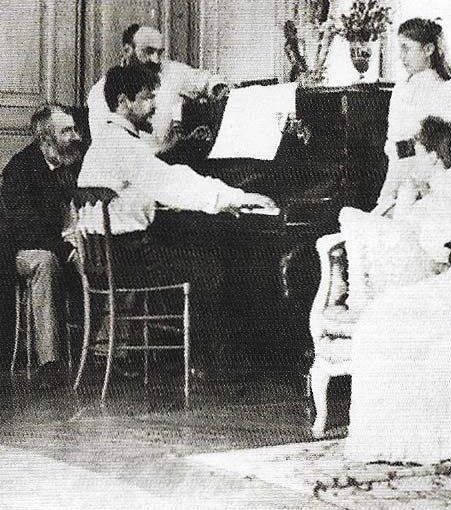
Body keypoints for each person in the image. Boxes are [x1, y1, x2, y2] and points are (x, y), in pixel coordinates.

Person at [78, 64, 275, 371]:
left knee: (197, 256)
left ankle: (187, 354)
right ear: (122, 103)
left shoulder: (105, 143)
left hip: (107, 258)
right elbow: (173, 182)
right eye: (146, 99)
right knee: (211, 268)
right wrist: (237, 197)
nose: (154, 106)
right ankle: (214, 364)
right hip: (130, 260)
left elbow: (155, 182)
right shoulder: (125, 147)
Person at [338, 116, 451, 464]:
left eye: (417, 153)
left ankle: (395, 437)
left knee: (387, 319)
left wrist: (405, 194)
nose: (410, 161)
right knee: (387, 317)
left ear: (431, 157)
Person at [2, 104, 85, 386]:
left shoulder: (74, 163)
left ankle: (105, 350)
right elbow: (25, 227)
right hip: (25, 250)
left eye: (75, 129)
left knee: (114, 252)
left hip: (67, 243)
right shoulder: (19, 168)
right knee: (46, 262)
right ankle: (49, 363)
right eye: (67, 131)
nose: (76, 137)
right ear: (44, 138)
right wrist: (67, 250)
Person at [376, 18, 451, 214]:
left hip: (427, 173)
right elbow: (394, 140)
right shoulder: (401, 88)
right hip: (398, 170)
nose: (402, 56)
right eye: (400, 49)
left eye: (407, 48)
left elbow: (448, 147)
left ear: (428, 50)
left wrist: (423, 180)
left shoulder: (448, 89)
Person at [87, 24, 223, 154]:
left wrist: (218, 88)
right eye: (149, 51)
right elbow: (105, 147)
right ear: (128, 50)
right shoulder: (100, 93)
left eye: (160, 52)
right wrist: (165, 149)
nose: (156, 60)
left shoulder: (169, 70)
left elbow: (205, 79)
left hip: (175, 158)